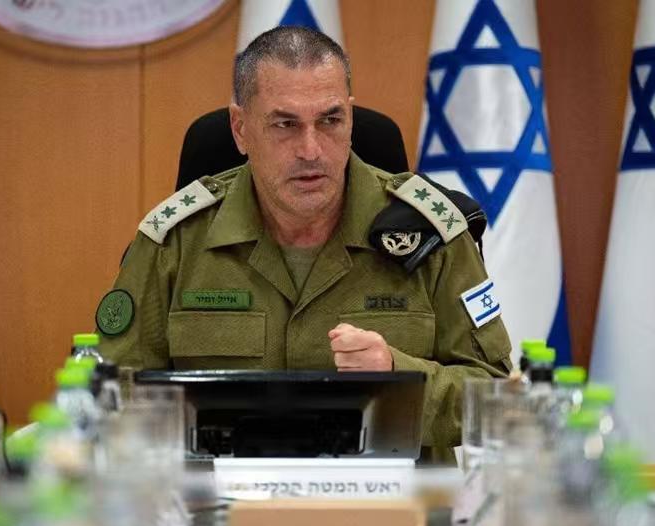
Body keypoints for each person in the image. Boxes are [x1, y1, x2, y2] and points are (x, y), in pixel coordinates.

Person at [94, 26, 511, 461]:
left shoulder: (433, 235)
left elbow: (496, 398)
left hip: (391, 499)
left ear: (350, 119)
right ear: (241, 128)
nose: (311, 150)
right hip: (217, 498)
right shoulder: (175, 242)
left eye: (330, 121)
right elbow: (109, 392)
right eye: (285, 124)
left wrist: (397, 375)